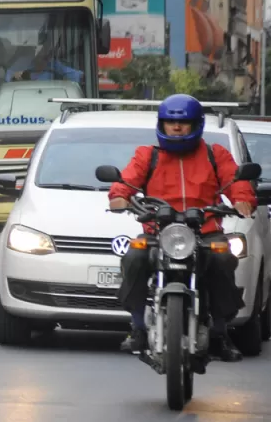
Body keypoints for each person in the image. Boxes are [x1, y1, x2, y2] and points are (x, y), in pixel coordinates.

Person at [107, 94, 253, 362]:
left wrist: (242, 199)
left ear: (195, 124)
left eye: (183, 123)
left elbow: (235, 181)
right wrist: (120, 196)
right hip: (158, 231)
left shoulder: (214, 154)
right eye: (170, 123)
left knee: (222, 259)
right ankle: (138, 326)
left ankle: (220, 331)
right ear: (161, 125)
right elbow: (127, 182)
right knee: (135, 256)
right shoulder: (147, 155)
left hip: (205, 231)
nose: (176, 128)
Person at [6, 31, 83, 84]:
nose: (42, 49)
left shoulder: (53, 64)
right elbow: (8, 76)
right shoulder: (22, 62)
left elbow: (76, 75)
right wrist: (14, 76)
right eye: (40, 46)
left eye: (46, 46)